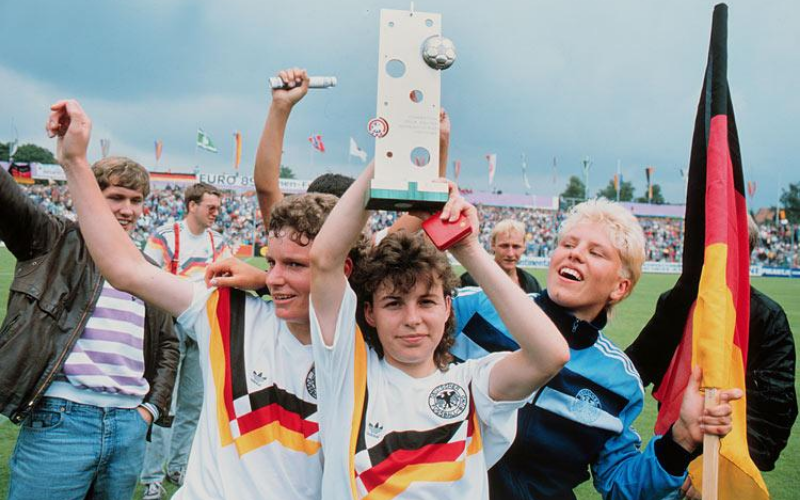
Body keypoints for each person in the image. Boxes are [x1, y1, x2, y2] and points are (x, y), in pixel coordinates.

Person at [48, 98, 345, 500]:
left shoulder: (367, 339)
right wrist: (75, 163)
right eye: (271, 263)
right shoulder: (225, 311)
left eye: (295, 265)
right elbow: (125, 269)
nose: (275, 278)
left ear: (339, 269)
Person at [307, 162, 571, 499]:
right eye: (394, 303)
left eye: (427, 302)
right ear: (369, 313)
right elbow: (325, 260)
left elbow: (551, 355)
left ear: (448, 307)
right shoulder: (346, 373)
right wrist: (389, 156)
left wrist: (467, 248)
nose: (412, 318)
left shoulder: (472, 383)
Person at [450, 198, 743, 500]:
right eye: (568, 244)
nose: (575, 254)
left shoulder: (619, 381)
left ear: (620, 287)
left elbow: (621, 487)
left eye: (595, 252)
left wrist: (680, 439)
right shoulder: (474, 307)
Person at [0, 153, 178, 500]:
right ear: (91, 196)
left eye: (136, 200)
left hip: (129, 425)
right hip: (61, 420)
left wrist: (150, 409)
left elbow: (168, 344)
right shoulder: (54, 238)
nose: (128, 209)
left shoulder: (147, 268)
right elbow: (6, 199)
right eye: (116, 197)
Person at [626, 214, 797, 498]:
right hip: (670, 458)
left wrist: (712, 470)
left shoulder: (766, 317)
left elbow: (775, 415)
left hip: (725, 471)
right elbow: (634, 371)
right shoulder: (676, 302)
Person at [140, 182, 231, 499]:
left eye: (218, 207)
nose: (216, 213)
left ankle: (178, 466)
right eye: (211, 206)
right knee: (163, 402)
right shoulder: (165, 236)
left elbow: (227, 278)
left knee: (193, 403)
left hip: (204, 327)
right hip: (171, 325)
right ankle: (151, 475)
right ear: (192, 205)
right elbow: (149, 277)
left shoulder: (218, 241)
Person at [460, 218, 542, 293]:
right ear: (493, 244)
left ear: (524, 247)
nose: (510, 254)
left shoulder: (532, 284)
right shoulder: (470, 281)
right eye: (504, 246)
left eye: (516, 247)